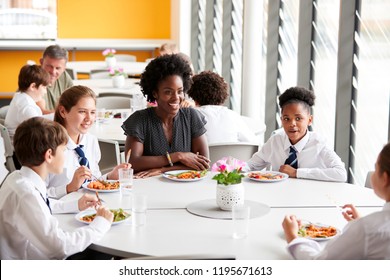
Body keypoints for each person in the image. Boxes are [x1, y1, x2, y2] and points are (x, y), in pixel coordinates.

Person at [0, 117, 113, 259]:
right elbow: (60, 247)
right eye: (63, 150)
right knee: (102, 254)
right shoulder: (26, 194)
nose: (65, 157)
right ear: (49, 155)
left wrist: (75, 204)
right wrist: (100, 223)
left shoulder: (17, 178)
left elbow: (42, 204)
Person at [282, 142, 390, 259]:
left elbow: (319, 265)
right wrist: (360, 224)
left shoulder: (366, 230)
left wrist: (292, 236)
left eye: (375, 168)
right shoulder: (368, 228)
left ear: (385, 179)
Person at [121, 54, 210, 178]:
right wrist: (178, 156)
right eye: (168, 92)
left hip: (187, 190)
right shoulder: (140, 120)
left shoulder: (192, 117)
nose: (176, 98)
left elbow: (204, 164)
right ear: (155, 93)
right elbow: (132, 162)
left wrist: (162, 170)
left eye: (179, 91)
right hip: (148, 189)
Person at [245, 86, 347, 182]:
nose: (292, 124)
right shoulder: (276, 141)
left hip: (312, 197)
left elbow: (341, 174)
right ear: (281, 120)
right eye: (286, 119)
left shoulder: (319, 144)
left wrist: (297, 173)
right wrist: (232, 169)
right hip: (278, 196)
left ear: (309, 120)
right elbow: (251, 165)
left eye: (298, 118)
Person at [47, 85, 130, 199]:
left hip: (87, 206)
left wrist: (110, 177)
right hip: (59, 210)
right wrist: (68, 188)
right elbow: (36, 195)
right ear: (63, 111)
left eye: (92, 112)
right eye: (82, 111)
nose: (89, 118)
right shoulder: (48, 145)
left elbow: (91, 182)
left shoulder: (90, 140)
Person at [187, 70, 261, 145]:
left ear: (193, 96)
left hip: (202, 156)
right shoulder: (232, 116)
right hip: (231, 156)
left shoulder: (190, 118)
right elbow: (253, 144)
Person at [5, 64, 52, 142]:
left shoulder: (19, 96)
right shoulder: (27, 107)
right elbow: (41, 129)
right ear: (33, 86)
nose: (45, 92)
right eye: (44, 87)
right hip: (22, 148)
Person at [37, 44, 73, 114]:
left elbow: (73, 104)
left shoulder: (64, 76)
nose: (53, 72)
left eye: (58, 68)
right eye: (49, 66)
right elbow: (41, 114)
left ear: (64, 68)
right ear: (41, 62)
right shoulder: (34, 78)